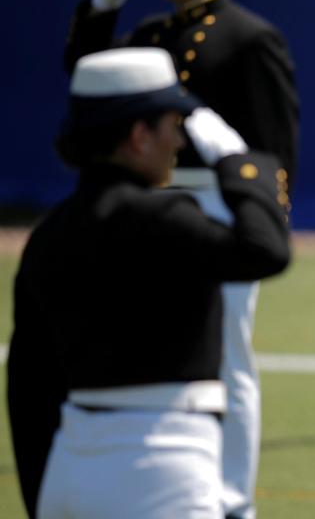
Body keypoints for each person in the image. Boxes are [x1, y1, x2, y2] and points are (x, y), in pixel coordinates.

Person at [62, 0, 299, 517]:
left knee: (226, 358)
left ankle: (229, 498)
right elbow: (88, 79)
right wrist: (100, 10)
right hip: (147, 204)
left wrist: (265, 213)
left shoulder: (249, 37)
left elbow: (274, 142)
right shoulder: (148, 35)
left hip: (219, 206)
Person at [6, 47, 291, 518]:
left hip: (68, 470)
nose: (178, 143)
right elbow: (265, 250)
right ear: (139, 136)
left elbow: (28, 386)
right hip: (162, 468)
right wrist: (239, 163)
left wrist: (43, 497)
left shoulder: (49, 236)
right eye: (170, 126)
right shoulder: (166, 218)